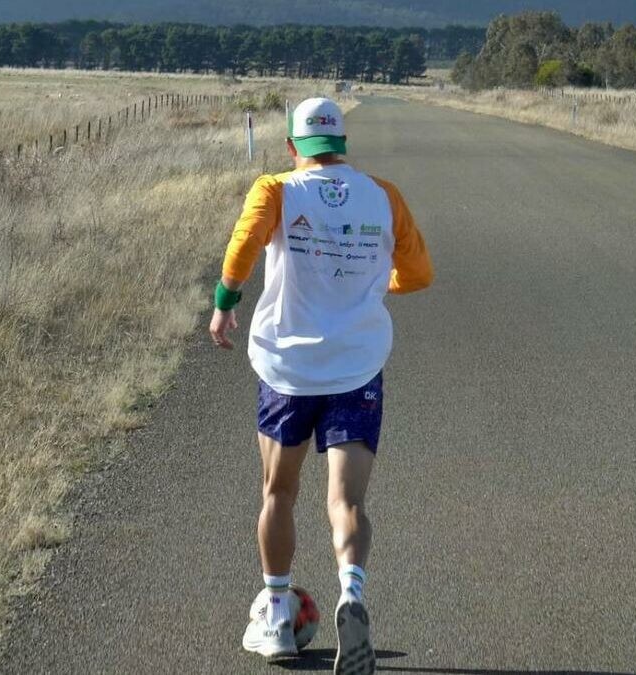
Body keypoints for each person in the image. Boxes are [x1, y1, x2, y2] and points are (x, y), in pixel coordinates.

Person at [210, 97, 433, 674]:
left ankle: (276, 618)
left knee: (278, 493)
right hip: (356, 367)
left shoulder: (276, 189)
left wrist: (225, 303)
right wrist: (370, 285)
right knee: (347, 501)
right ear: (342, 142)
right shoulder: (384, 196)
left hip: (288, 370)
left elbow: (243, 248)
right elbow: (418, 274)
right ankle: (351, 592)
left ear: (293, 146)